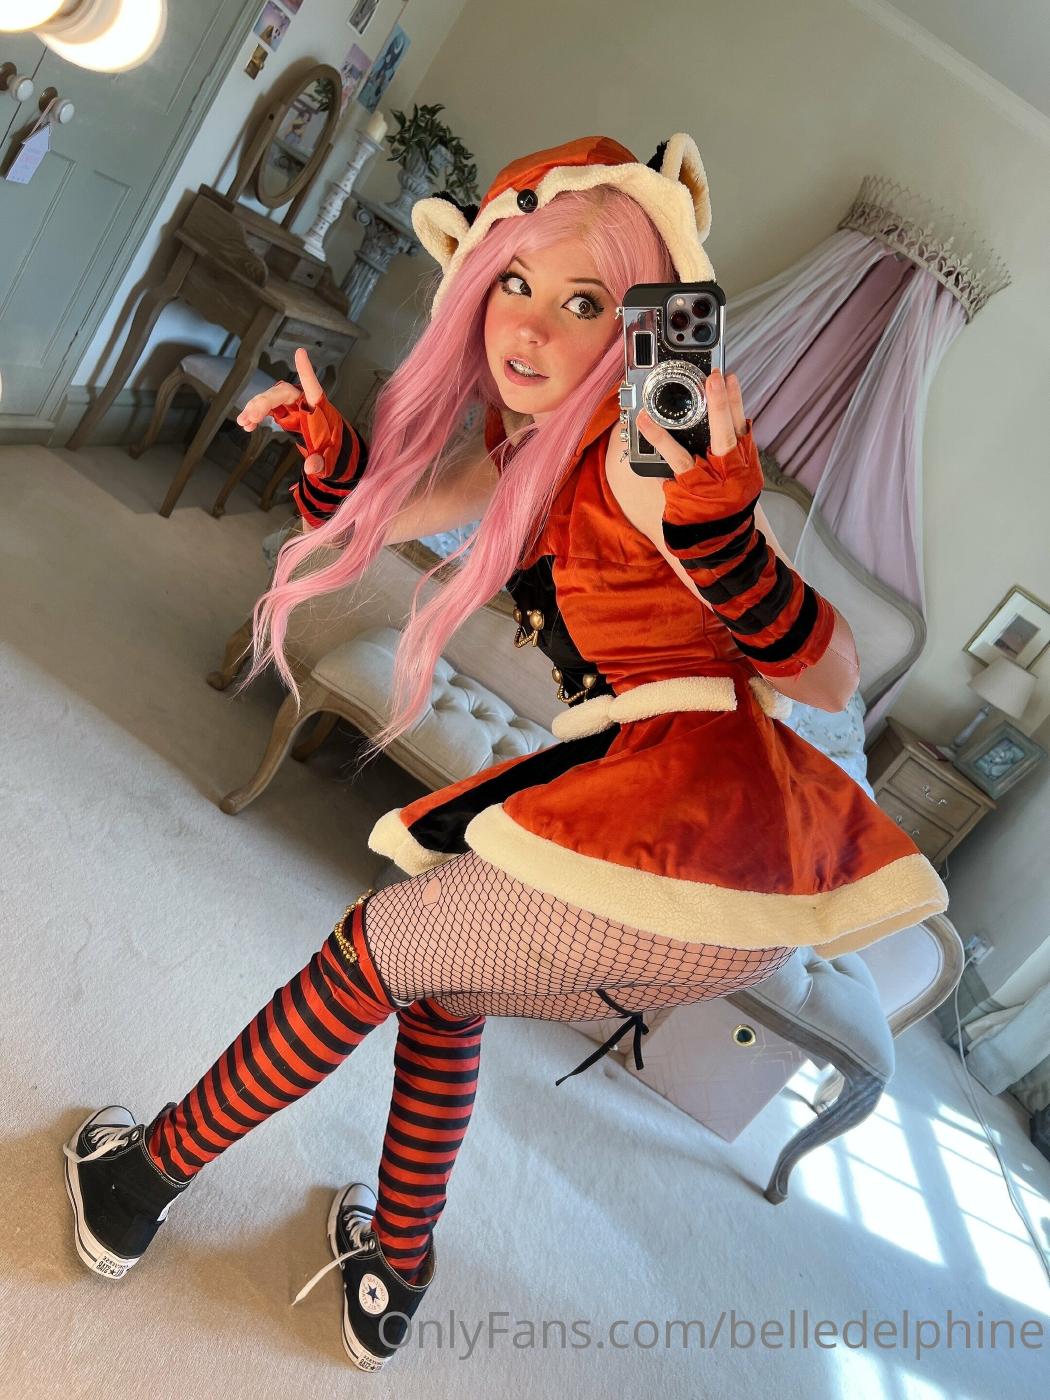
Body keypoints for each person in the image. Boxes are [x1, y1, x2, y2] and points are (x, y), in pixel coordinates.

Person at [62, 134, 949, 1373]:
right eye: (514, 284)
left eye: (584, 301)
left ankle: (138, 1179)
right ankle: (394, 1270)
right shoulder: (534, 446)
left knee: (368, 953)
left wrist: (723, 534)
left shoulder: (640, 453)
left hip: (691, 827)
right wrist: (328, 449)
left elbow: (831, 674)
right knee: (444, 980)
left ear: (638, 324)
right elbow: (386, 513)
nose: (527, 327)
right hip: (675, 838)